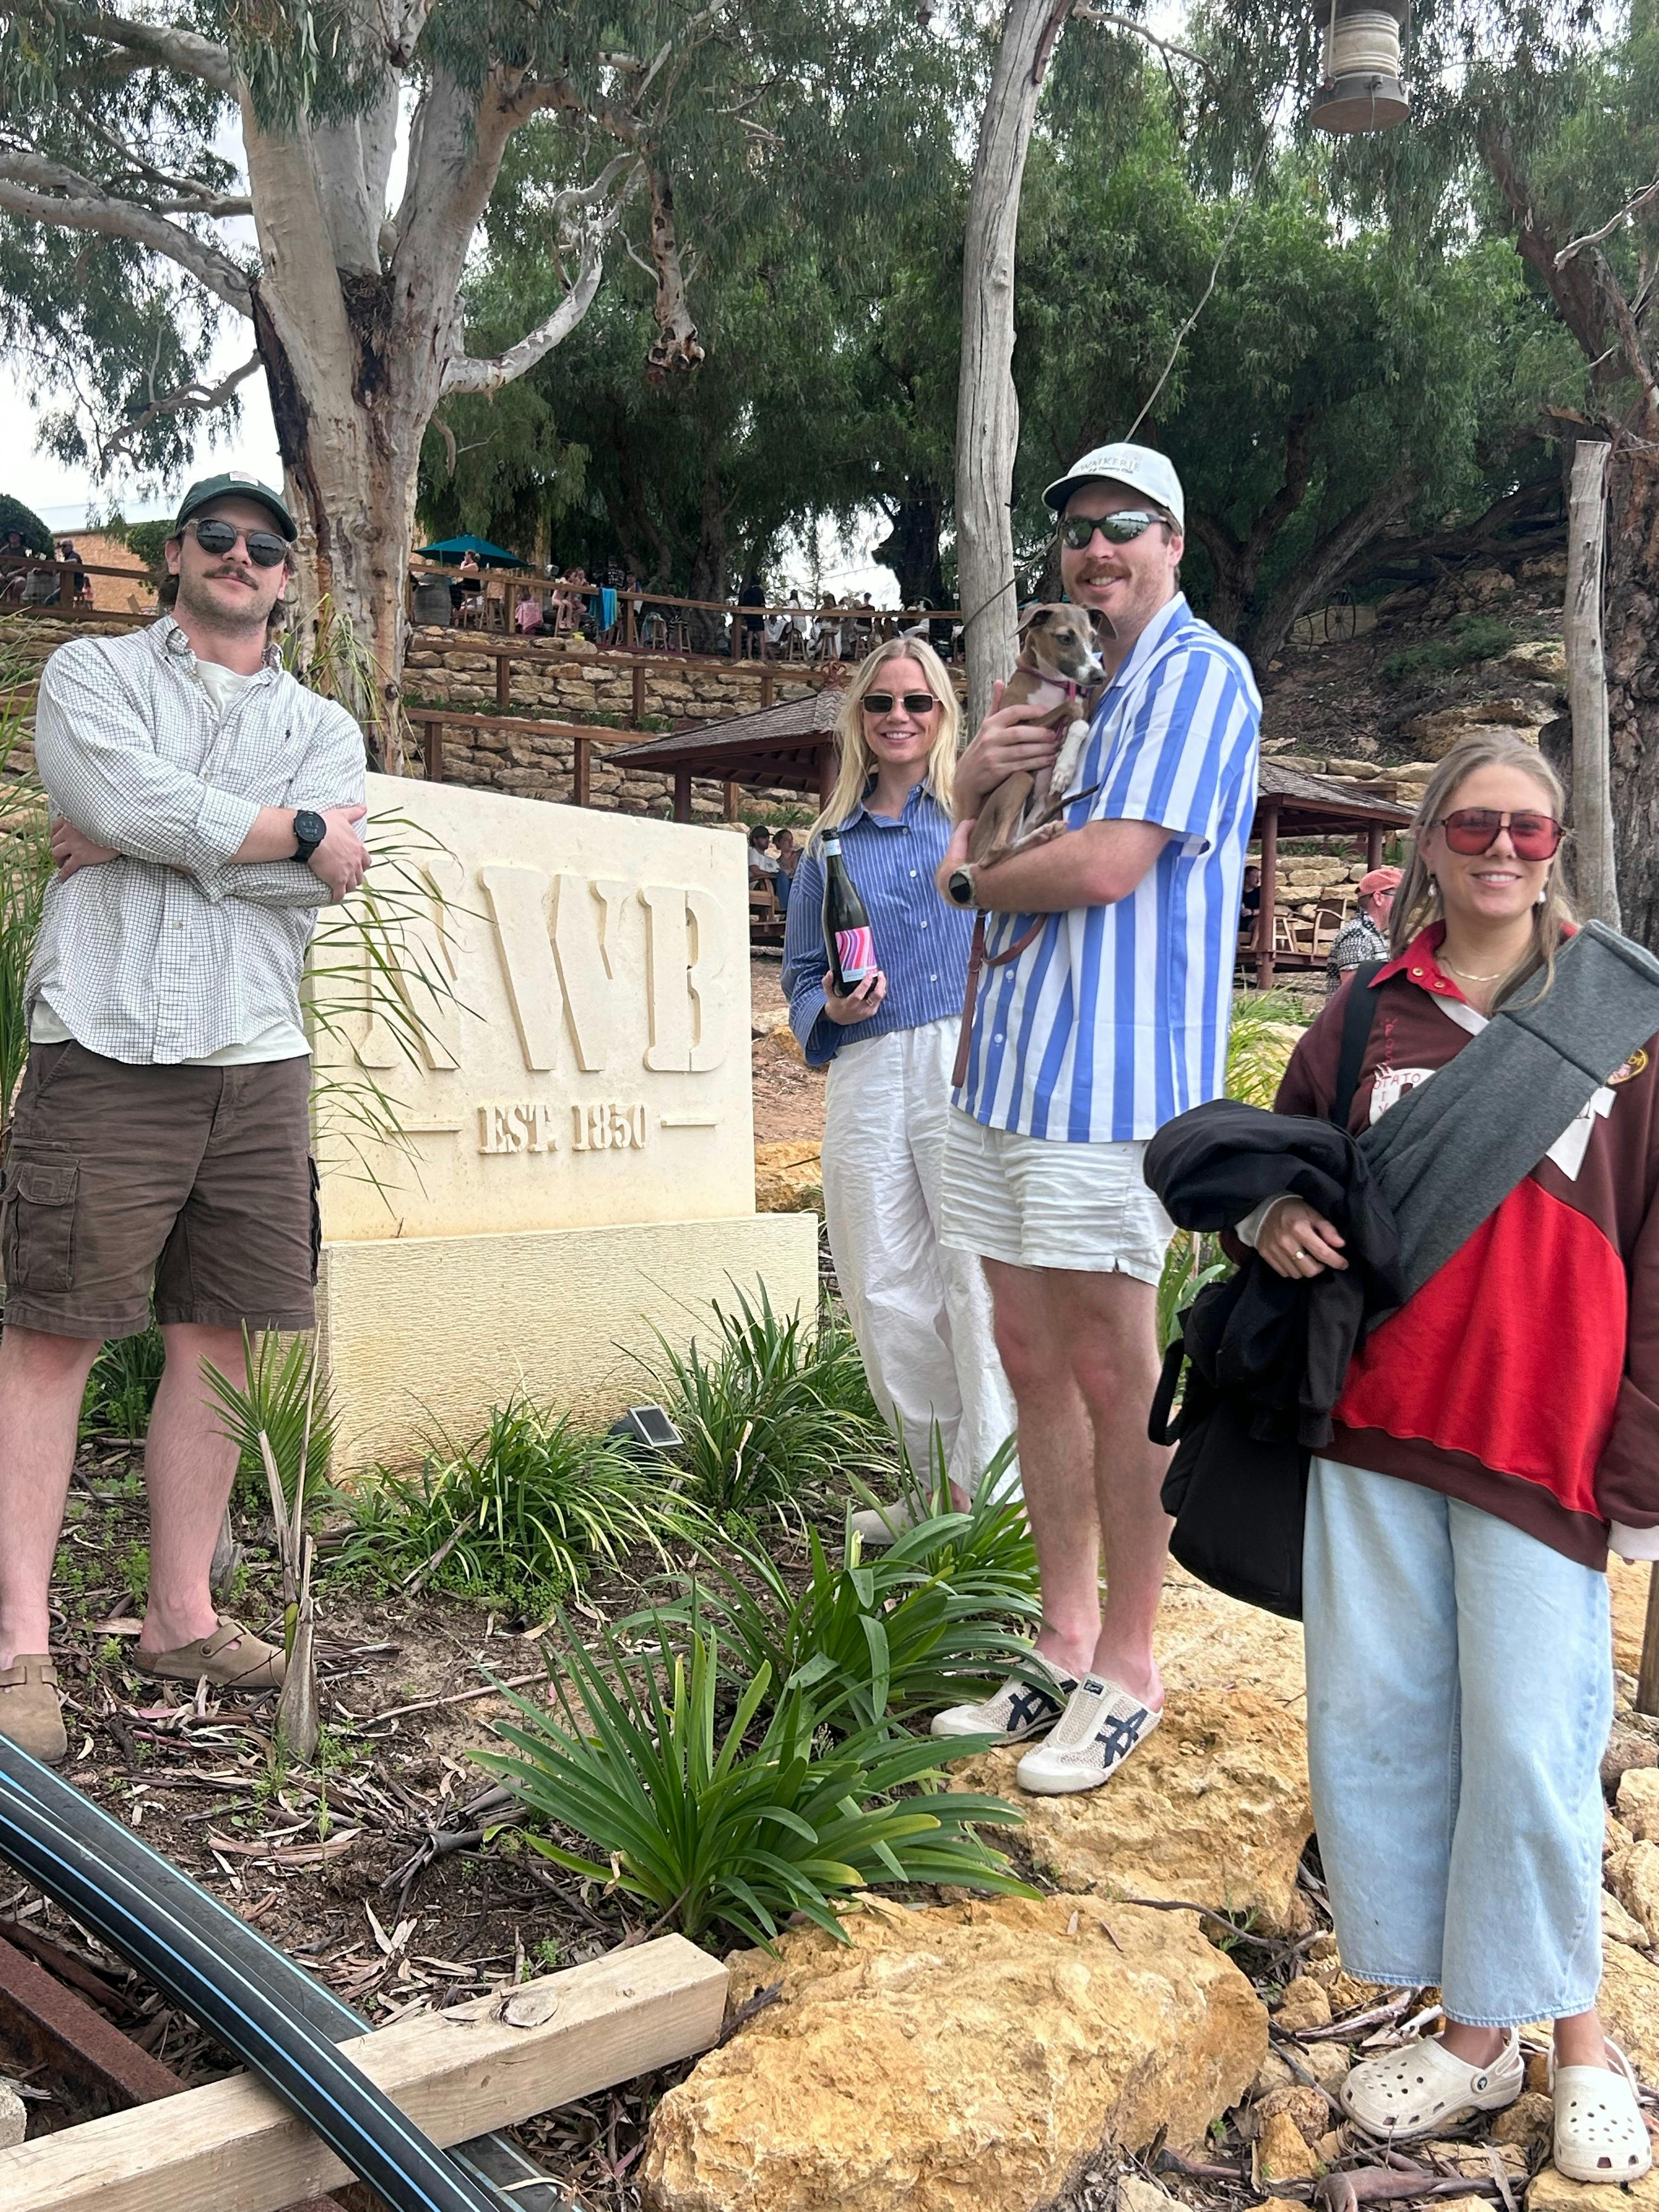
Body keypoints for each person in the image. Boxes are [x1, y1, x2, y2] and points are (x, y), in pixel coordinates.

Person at [1242, 730, 1656, 2183]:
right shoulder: (1366, 1017)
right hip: (1374, 1437)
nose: (1500, 850)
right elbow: (1270, 1167)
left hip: (1547, 1454)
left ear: (1561, 852)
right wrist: (1264, 1223)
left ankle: (1584, 2044)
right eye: (1473, 824)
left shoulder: (1627, 1025)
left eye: (1530, 831)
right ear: (1429, 840)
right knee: (1396, 1727)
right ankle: (1480, 2042)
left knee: (1537, 1753)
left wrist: (1645, 1471)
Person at [0, 471, 371, 1766]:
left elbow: (316, 890)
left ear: (288, 579)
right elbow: (122, 802)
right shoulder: (93, 679)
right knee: (54, 1336)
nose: (241, 556)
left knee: (219, 1342)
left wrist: (156, 836)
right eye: (218, 536)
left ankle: (181, 1615)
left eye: (266, 548)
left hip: (255, 1058)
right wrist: (276, 834)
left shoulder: (324, 725)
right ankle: (17, 1647)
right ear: (178, 554)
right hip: (103, 1040)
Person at [928, 441, 1261, 1793]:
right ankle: (1061, 1638)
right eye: (1075, 534)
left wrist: (968, 881)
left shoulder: (1197, 676)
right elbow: (973, 835)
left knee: (1116, 1366)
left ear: (1172, 543)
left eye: (1125, 527)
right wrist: (968, 792)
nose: (1097, 549)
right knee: (1026, 1351)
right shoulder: (1066, 692)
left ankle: (1128, 1662)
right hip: (1003, 1073)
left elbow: (1113, 866)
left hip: (1111, 1088)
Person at [784, 638, 1016, 1536]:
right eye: (880, 703)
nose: (897, 718)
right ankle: (938, 1483)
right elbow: (802, 975)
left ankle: (988, 1498)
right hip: (869, 1063)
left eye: (916, 703)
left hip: (965, 1059)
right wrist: (831, 1009)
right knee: (880, 1282)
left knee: (973, 1277)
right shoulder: (829, 846)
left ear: (942, 715)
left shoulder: (976, 820)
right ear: (859, 719)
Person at [1325, 864, 1401, 988]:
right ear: (1378, 898)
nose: (1403, 903)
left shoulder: (1370, 934)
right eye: (1399, 896)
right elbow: (1352, 992)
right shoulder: (1358, 936)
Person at [772, 827, 798, 915]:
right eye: (787, 840)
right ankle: (786, 911)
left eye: (792, 840)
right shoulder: (777, 863)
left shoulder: (801, 855)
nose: (791, 843)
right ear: (779, 843)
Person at [1239, 862, 1262, 943]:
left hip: (1251, 922)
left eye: (1259, 877)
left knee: (1261, 922)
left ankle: (1254, 949)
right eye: (1255, 877)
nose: (1258, 881)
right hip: (1236, 922)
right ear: (1247, 877)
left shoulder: (1260, 892)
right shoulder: (1237, 891)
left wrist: (1251, 912)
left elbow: (1265, 910)